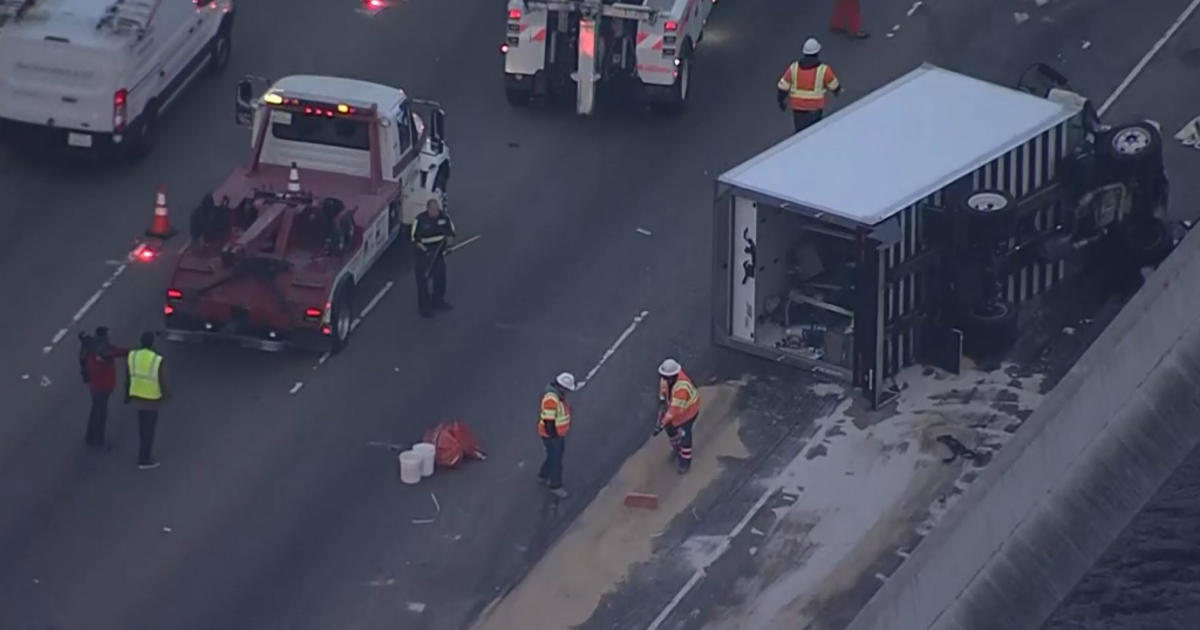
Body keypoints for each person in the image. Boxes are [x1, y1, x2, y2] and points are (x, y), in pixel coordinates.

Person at [776, 38, 842, 135]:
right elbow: (834, 86)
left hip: (798, 108)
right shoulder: (824, 70)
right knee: (814, 133)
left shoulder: (793, 68)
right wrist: (837, 92)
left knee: (800, 134)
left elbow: (783, 87)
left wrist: (781, 101)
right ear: (817, 53)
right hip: (815, 108)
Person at [79, 326, 128, 450]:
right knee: (101, 413)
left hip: (94, 384)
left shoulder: (90, 345)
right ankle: (99, 441)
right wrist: (134, 351)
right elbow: (119, 352)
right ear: (105, 335)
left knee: (95, 410)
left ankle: (90, 437)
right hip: (103, 385)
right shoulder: (105, 348)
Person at [124, 331, 168, 470]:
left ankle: (143, 455)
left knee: (142, 427)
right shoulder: (156, 359)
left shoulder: (133, 355)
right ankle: (144, 459)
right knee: (148, 430)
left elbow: (128, 376)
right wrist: (166, 395)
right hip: (152, 399)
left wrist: (127, 395)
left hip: (137, 396)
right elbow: (162, 380)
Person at [410, 197, 457, 318]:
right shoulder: (420, 220)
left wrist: (449, 245)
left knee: (440, 279)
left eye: (437, 210)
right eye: (433, 210)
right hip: (424, 256)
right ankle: (424, 308)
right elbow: (414, 239)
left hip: (438, 254)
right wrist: (425, 251)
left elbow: (451, 233)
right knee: (423, 283)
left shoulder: (444, 218)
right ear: (427, 209)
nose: (436, 213)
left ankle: (438, 301)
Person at [655, 358, 700, 474]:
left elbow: (673, 411)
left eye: (666, 377)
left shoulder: (682, 388)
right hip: (676, 411)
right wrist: (661, 399)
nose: (664, 378)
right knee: (670, 430)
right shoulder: (667, 378)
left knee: (685, 437)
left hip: (688, 413)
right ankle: (677, 449)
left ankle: (685, 461)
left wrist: (661, 424)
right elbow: (663, 387)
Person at [538, 372, 576, 498]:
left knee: (552, 456)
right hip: (552, 436)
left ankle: (543, 475)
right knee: (556, 460)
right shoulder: (551, 399)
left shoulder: (557, 396)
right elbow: (549, 421)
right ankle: (555, 486)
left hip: (556, 434)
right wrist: (554, 436)